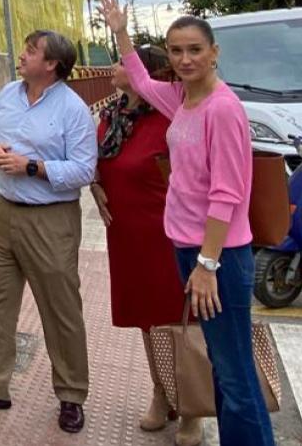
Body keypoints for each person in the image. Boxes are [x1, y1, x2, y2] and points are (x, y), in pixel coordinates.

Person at [99, 0, 274, 446]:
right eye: (176, 50)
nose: (184, 59)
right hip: (187, 249)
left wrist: (207, 265)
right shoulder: (181, 100)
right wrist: (120, 31)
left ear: (214, 52)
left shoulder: (223, 109)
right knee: (219, 360)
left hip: (219, 257)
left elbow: (227, 195)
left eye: (195, 49)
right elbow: (138, 76)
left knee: (235, 372)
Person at [0, 30, 98, 434]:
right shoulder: (10, 93)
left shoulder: (72, 109)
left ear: (51, 65)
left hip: (50, 219)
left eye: (31, 51)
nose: (22, 55)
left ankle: (71, 394)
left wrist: (33, 167)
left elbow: (86, 169)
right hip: (4, 215)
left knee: (60, 308)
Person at [90, 46, 198, 444]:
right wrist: (95, 183)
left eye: (121, 62)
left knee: (176, 319)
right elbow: (97, 162)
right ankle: (160, 391)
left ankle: (191, 405)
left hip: (165, 232)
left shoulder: (169, 117)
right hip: (125, 233)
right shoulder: (112, 117)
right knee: (146, 319)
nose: (114, 68)